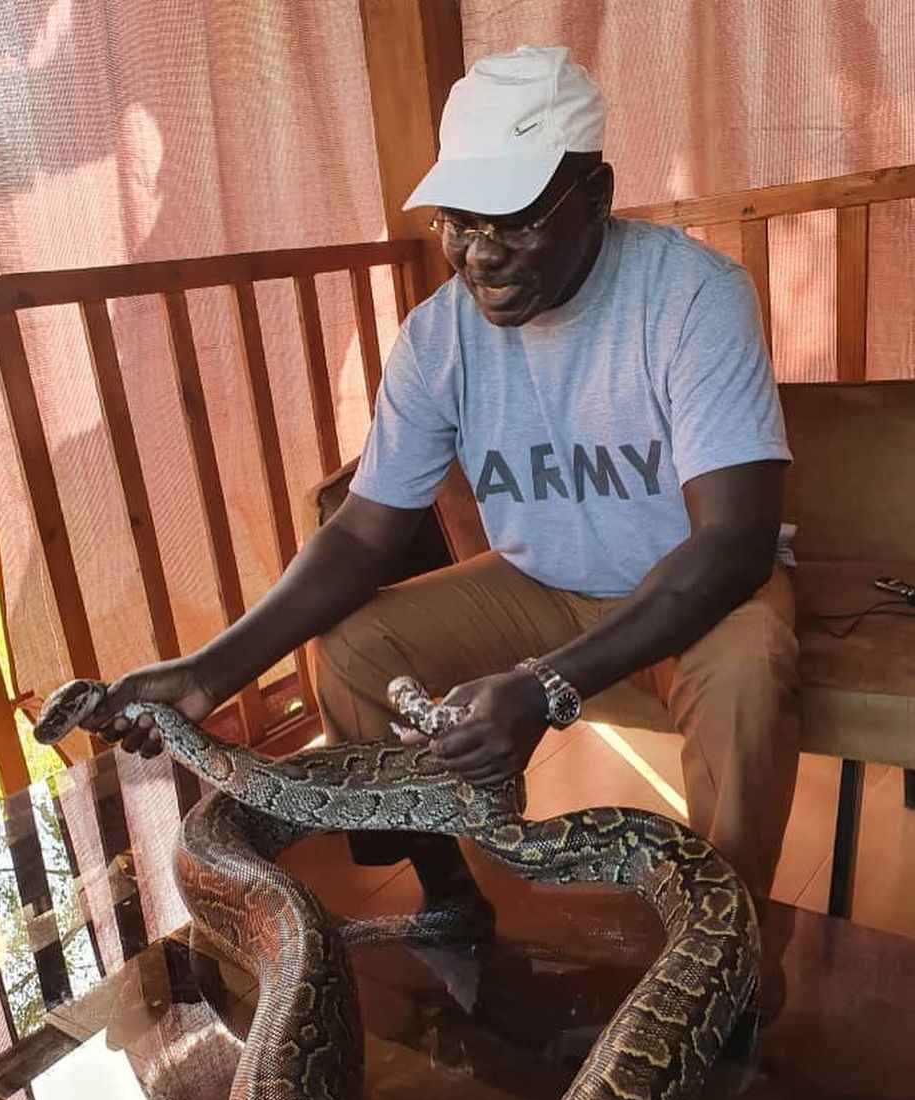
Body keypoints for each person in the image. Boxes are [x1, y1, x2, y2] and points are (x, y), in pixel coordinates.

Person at [82, 45, 799, 908]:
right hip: (541, 584)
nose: (481, 256)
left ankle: (727, 942)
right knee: (352, 650)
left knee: (747, 672)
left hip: (689, 591)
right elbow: (361, 531)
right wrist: (208, 672)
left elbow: (735, 542)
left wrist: (546, 686)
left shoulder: (692, 295)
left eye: (517, 220)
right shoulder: (438, 337)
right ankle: (448, 896)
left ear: (597, 199)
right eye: (460, 221)